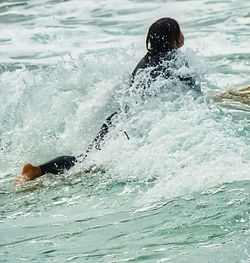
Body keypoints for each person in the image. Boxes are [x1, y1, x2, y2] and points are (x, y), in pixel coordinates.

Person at [14, 17, 198, 185]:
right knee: (89, 166)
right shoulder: (174, 60)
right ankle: (38, 171)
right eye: (180, 31)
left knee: (84, 159)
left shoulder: (146, 60)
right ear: (173, 37)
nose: (183, 35)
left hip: (117, 120)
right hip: (132, 125)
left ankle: (38, 170)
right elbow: (193, 95)